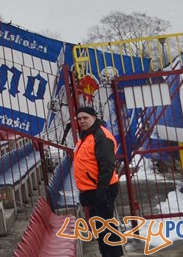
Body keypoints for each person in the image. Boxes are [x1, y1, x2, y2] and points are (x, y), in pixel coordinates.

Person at [73, 105, 123, 257]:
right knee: (100, 228)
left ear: (94, 117)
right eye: (79, 119)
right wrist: (84, 191)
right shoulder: (87, 136)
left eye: (85, 118)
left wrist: (101, 192)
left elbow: (107, 166)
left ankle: (113, 255)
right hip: (92, 189)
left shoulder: (100, 136)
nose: (82, 121)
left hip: (102, 189)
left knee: (106, 228)